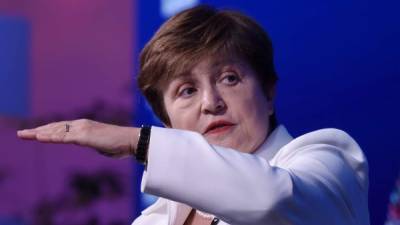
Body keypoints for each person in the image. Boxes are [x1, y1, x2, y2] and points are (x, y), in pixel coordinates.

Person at [17, 5, 370, 225]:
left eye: (229, 78)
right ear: (167, 121)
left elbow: (270, 200)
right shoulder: (157, 217)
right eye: (187, 90)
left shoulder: (327, 160)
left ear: (269, 93)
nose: (210, 102)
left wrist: (135, 141)